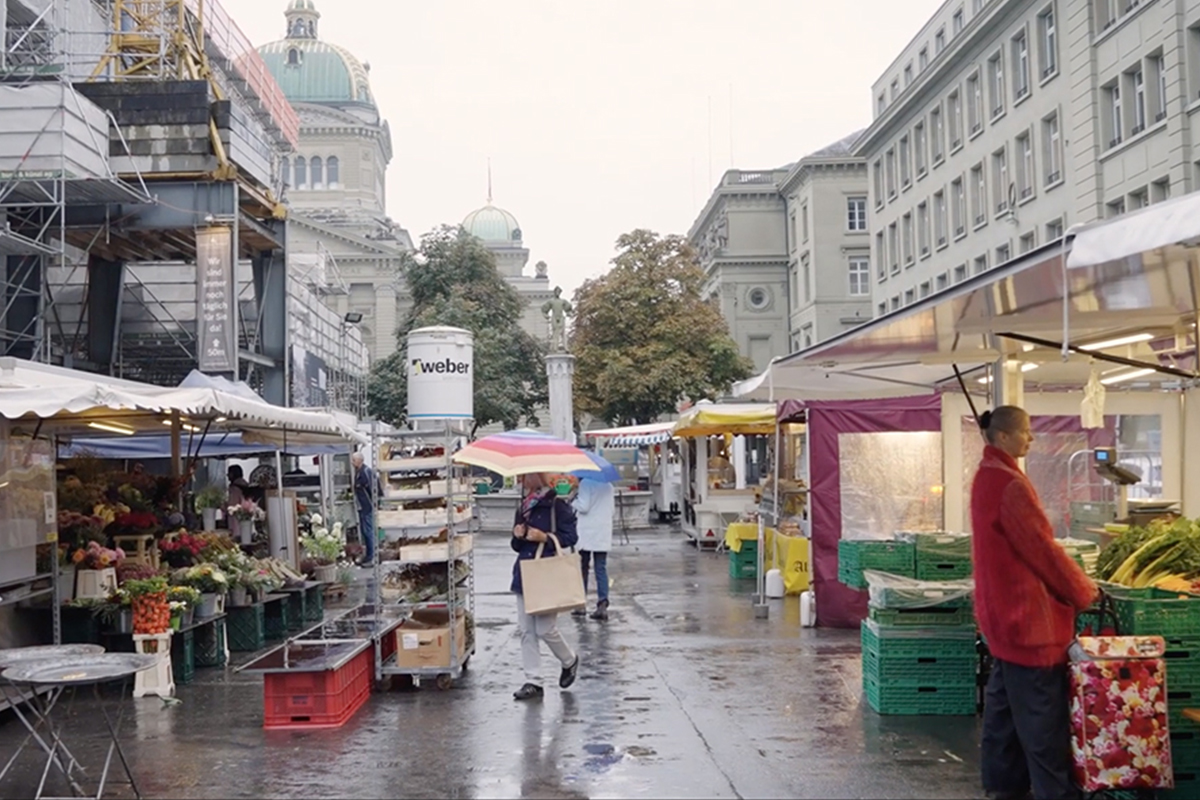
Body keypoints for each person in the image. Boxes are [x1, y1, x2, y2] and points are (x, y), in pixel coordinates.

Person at [971, 405, 1098, 800]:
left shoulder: (985, 476)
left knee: (1004, 725)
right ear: (1005, 436)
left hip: (1001, 623)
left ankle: (1003, 790)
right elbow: (1041, 549)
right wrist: (1083, 590)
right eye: (1026, 432)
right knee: (1042, 733)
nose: (1031, 438)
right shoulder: (1010, 483)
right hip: (1029, 625)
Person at [511, 472, 580, 701]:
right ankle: (533, 681)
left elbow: (570, 536)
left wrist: (545, 537)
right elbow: (515, 545)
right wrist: (518, 535)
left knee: (545, 629)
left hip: (547, 572)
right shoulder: (524, 505)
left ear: (537, 476)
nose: (521, 480)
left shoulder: (557, 505)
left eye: (525, 476)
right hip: (525, 572)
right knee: (526, 631)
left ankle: (569, 660)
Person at [572, 478, 613, 621]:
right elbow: (612, 510)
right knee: (600, 568)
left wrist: (573, 500)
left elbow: (583, 506)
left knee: (583, 566)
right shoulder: (608, 484)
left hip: (588, 531)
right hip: (603, 531)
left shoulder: (586, 483)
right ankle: (602, 604)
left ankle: (580, 604)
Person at [351, 453, 377, 566]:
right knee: (365, 532)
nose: (352, 462)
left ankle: (372, 557)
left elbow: (373, 489)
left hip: (367, 506)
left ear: (360, 460)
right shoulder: (358, 472)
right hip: (362, 506)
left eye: (353, 460)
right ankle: (368, 556)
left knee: (368, 531)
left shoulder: (366, 472)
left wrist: (374, 504)